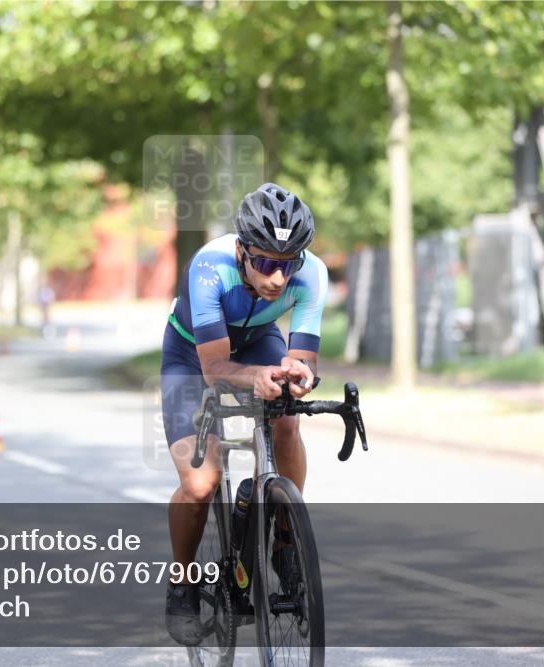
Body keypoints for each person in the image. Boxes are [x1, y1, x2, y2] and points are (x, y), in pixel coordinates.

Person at [161, 182, 327, 645]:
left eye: (287, 264)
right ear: (241, 250)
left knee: (287, 416)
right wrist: (254, 376)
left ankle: (284, 542)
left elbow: (304, 356)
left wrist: (300, 374)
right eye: (266, 263)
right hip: (191, 355)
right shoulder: (210, 267)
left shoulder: (312, 273)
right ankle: (181, 583)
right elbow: (213, 370)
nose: (277, 278)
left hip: (257, 338)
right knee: (200, 483)